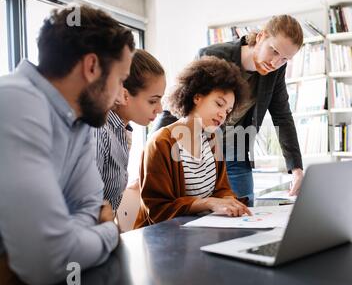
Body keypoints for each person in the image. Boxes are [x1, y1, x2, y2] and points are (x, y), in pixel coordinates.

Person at [0, 4, 135, 285]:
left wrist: (65, 236)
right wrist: (110, 232)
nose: (120, 95)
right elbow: (47, 262)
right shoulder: (14, 101)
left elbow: (89, 207)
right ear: (91, 67)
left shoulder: (80, 119)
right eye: (121, 79)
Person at [152, 15, 305, 206]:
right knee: (191, 213)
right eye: (273, 51)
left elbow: (282, 116)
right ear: (261, 37)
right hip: (199, 149)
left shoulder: (275, 71)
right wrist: (152, 155)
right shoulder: (214, 55)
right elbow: (180, 101)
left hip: (236, 148)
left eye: (285, 59)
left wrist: (296, 168)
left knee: (243, 211)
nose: (275, 63)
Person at [134, 56, 251, 227]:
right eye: (219, 104)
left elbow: (221, 188)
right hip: (163, 237)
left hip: (199, 229)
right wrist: (208, 203)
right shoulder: (161, 143)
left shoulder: (211, 139)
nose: (222, 115)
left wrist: (228, 200)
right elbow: (157, 209)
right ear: (197, 97)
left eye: (228, 111)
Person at [94, 49, 166, 213]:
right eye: (153, 101)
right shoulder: (99, 131)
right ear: (124, 95)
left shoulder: (122, 131)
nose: (160, 109)